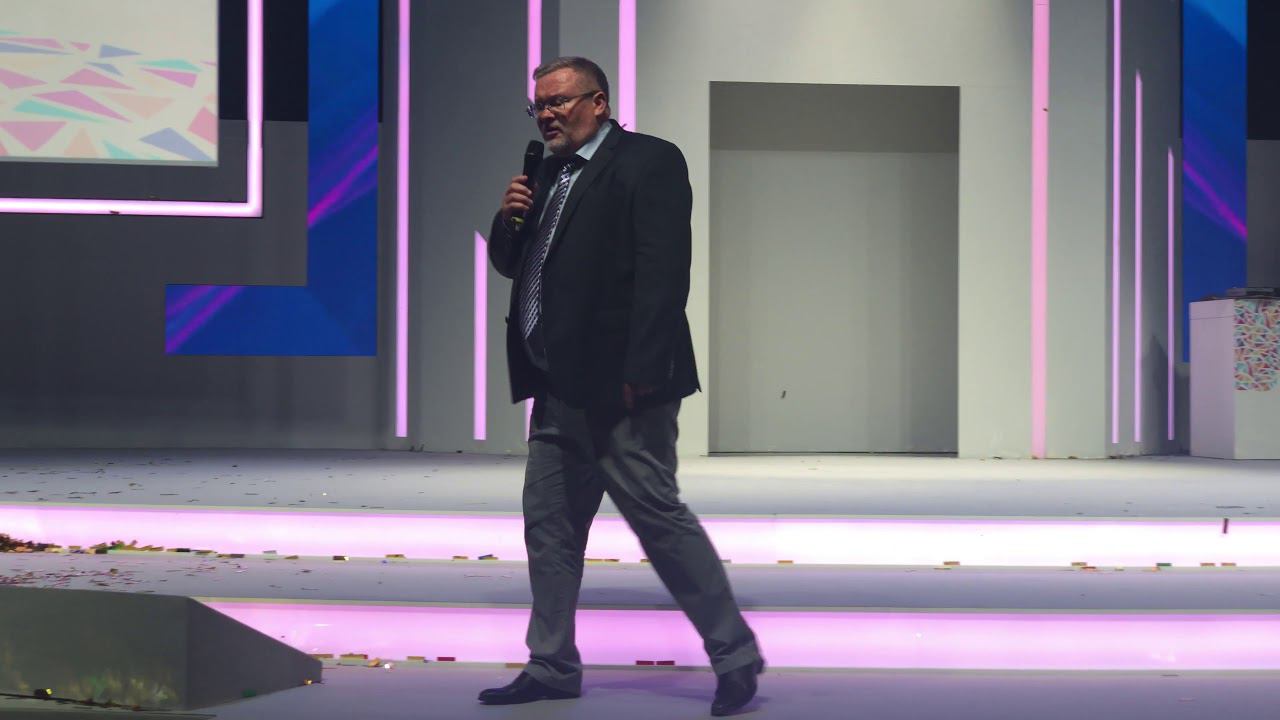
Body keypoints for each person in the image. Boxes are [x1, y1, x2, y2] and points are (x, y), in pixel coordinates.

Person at [478, 56, 764, 717]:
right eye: (538, 106)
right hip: (556, 387)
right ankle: (551, 664)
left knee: (658, 520)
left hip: (622, 389)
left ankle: (735, 655)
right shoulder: (545, 174)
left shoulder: (648, 161)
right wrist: (509, 216)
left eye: (558, 102)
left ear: (598, 102)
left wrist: (642, 372)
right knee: (549, 527)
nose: (547, 115)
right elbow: (512, 264)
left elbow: (664, 274)